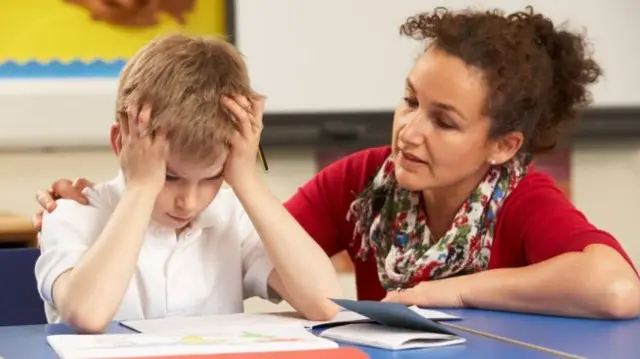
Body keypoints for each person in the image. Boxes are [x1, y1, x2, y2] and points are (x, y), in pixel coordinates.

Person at [34, 6, 640, 319]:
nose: (408, 131)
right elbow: (280, 253)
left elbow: (615, 287)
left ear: (503, 145)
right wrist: (137, 192)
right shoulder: (363, 181)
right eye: (408, 101)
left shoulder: (522, 198)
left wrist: (449, 292)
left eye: (443, 120)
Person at [33, 33, 341, 334]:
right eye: (169, 176)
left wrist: (246, 179)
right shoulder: (72, 212)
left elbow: (326, 305)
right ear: (121, 143)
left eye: (211, 177)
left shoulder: (232, 217)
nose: (188, 202)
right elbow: (88, 314)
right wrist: (142, 188)